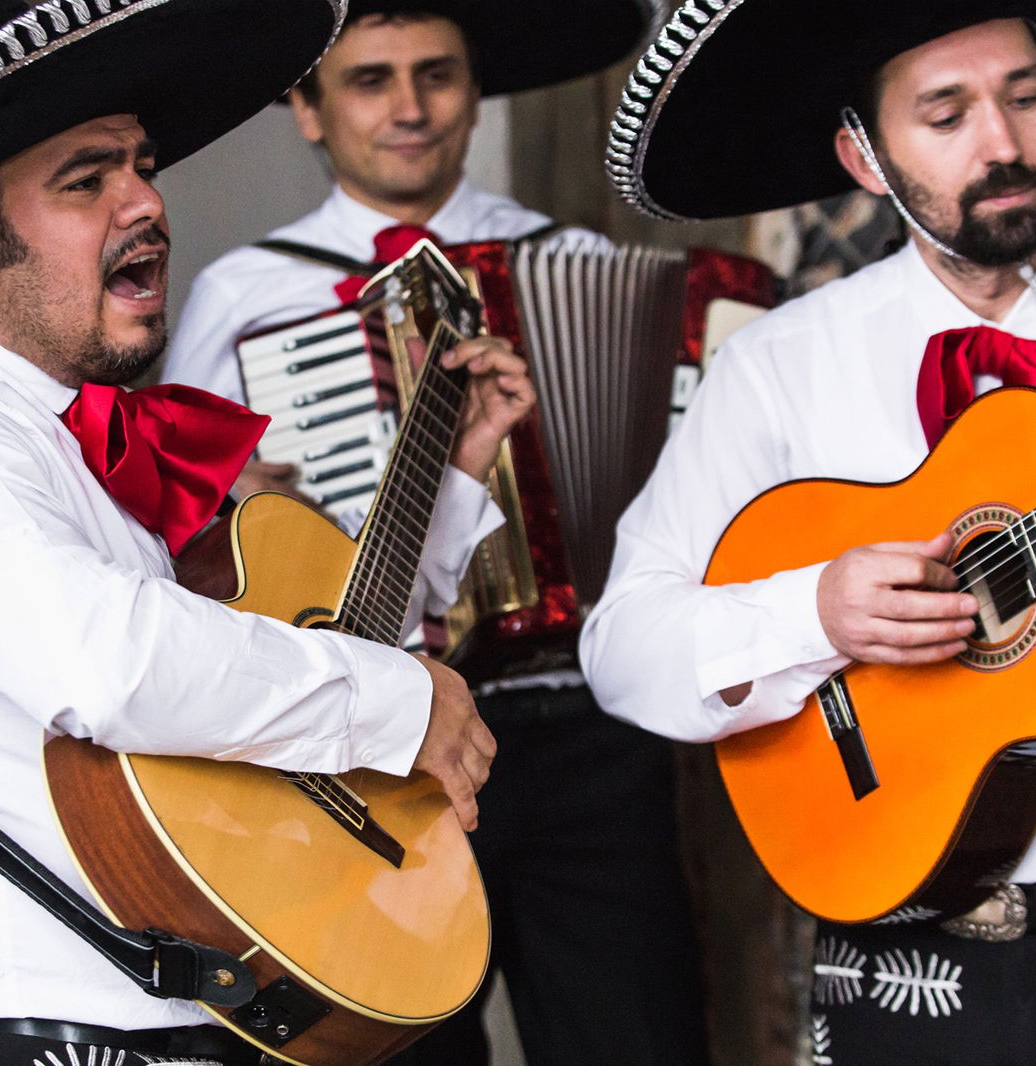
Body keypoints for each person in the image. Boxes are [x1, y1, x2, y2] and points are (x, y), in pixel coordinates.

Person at [0, 0, 541, 1061]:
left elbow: (279, 652)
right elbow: (112, 663)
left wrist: (451, 479)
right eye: (86, 178)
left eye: (141, 165)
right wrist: (393, 706)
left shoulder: (85, 433)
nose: (147, 203)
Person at [584, 2, 1036, 1063]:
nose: (1001, 144)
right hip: (887, 970)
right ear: (865, 155)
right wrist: (812, 610)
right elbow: (621, 654)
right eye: (945, 113)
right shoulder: (777, 370)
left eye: (1024, 98)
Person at [162, 4, 714, 1065]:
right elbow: (201, 552)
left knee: (634, 1035)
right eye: (370, 80)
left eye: (437, 75)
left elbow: (664, 486)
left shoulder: (571, 257)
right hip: (373, 749)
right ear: (307, 112)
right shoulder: (241, 297)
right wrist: (235, 500)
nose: (409, 109)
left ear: (473, 90)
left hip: (579, 728)